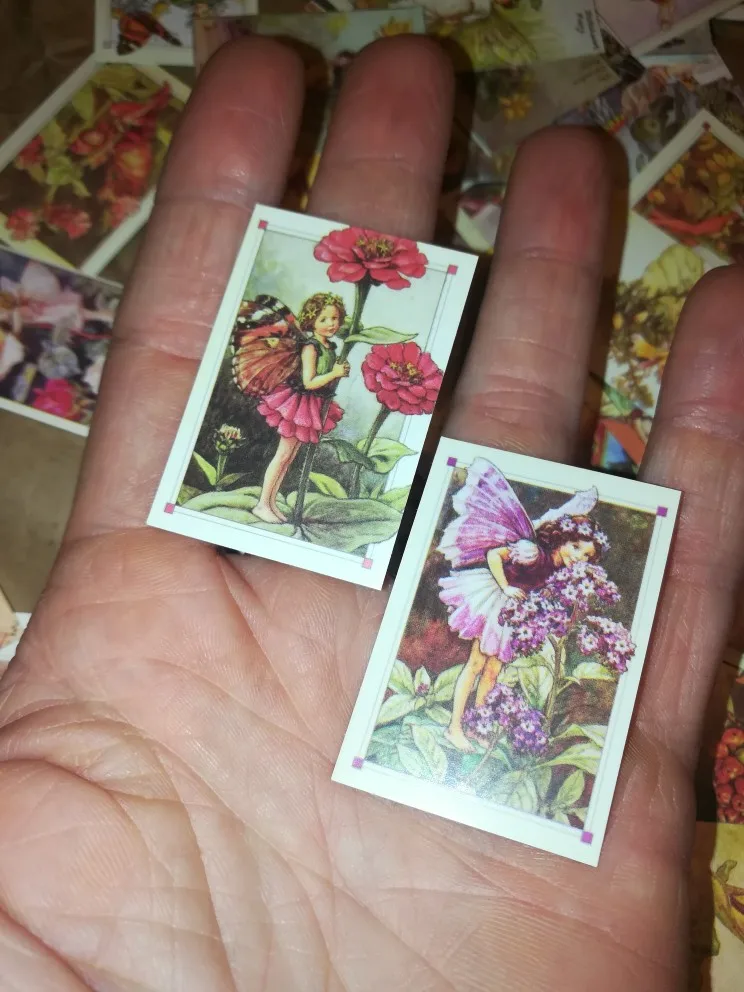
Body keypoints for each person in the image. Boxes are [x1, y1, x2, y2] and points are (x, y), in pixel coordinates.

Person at [0, 34, 741, 990]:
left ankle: (461, 726)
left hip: (489, 613)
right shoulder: (509, 535)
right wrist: (335, 362)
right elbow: (478, 539)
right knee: (288, 475)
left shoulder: (553, 560)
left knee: (470, 654)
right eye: (317, 317)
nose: (322, 320)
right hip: (467, 576)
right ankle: (300, 528)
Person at [437, 458, 608, 750]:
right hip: (496, 600)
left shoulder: (559, 572)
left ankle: (479, 726)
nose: (578, 557)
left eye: (586, 556)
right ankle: (454, 728)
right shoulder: (534, 553)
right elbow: (494, 555)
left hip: (516, 615)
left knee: (494, 671)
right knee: (476, 663)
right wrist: (506, 585)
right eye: (576, 547)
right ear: (562, 539)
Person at [232, 291, 350, 523]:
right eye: (323, 319)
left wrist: (335, 373)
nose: (330, 324)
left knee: (289, 457)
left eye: (334, 318)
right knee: (283, 455)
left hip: (315, 402)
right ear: (312, 321)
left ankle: (270, 503)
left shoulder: (329, 347)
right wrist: (335, 373)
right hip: (300, 403)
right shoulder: (311, 347)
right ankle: (262, 504)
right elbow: (309, 382)